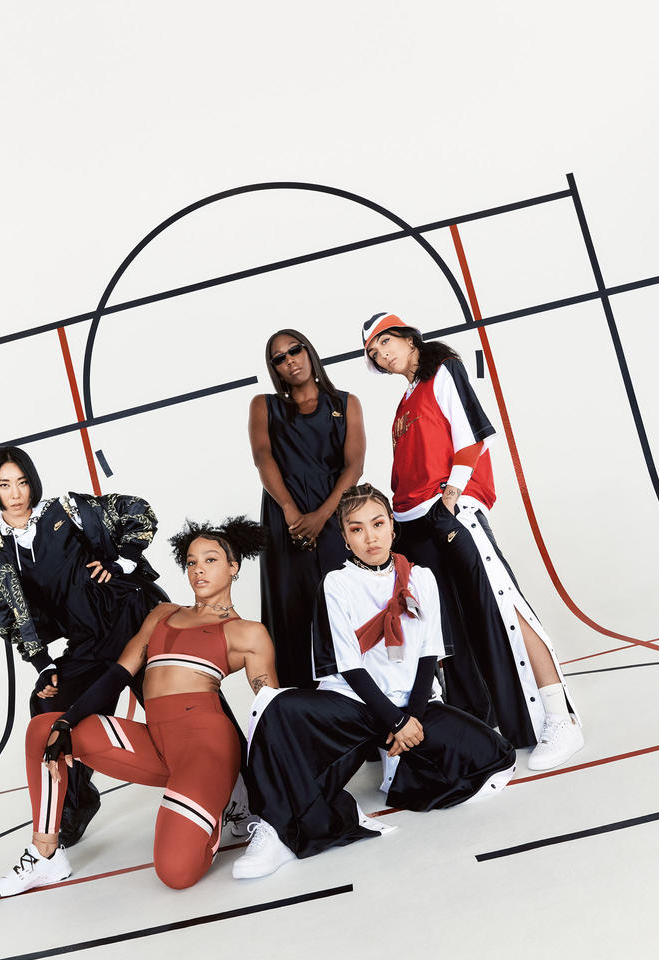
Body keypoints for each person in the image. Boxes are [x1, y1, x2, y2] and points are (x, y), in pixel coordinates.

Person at [232, 484, 515, 879]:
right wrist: (395, 722)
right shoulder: (337, 584)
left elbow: (428, 655)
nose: (370, 537)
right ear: (345, 539)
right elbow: (349, 667)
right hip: (356, 705)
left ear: (392, 527)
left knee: (492, 753)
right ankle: (276, 830)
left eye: (378, 524)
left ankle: (398, 766)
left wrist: (412, 719)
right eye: (357, 529)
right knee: (275, 708)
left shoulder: (422, 578)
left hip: (412, 706)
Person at [0, 518, 278, 895]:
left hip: (205, 749)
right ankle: (46, 854)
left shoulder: (248, 632)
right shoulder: (162, 614)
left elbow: (270, 713)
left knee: (175, 873)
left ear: (234, 567)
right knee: (45, 729)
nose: (199, 569)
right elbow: (116, 675)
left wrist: (273, 792)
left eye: (210, 560)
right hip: (155, 744)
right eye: (191, 562)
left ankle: (225, 797)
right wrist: (68, 722)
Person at [359, 311, 583, 771]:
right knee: (451, 632)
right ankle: (486, 728)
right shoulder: (404, 402)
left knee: (503, 605)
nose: (381, 354)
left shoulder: (443, 371)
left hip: (448, 512)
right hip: (413, 524)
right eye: (373, 352)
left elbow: (473, 436)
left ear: (408, 338)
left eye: (385, 342)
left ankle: (560, 719)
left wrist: (452, 496)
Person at [0, 446, 168, 845]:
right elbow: (6, 616)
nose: (16, 493)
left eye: (22, 482)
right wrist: (43, 664)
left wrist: (124, 561)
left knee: (173, 703)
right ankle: (76, 803)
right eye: (5, 485)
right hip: (87, 642)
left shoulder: (67, 510)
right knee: (48, 708)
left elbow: (138, 510)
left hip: (132, 618)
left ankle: (238, 783)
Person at [249, 329, 366, 688]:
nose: (290, 360)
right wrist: (289, 509)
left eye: (294, 350)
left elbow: (354, 467)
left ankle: (362, 696)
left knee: (343, 602)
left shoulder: (347, 403)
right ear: (274, 368)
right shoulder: (263, 405)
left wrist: (322, 516)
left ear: (308, 351)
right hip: (285, 520)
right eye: (279, 358)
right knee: (291, 608)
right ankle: (302, 702)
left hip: (335, 515)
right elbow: (263, 457)